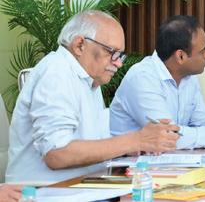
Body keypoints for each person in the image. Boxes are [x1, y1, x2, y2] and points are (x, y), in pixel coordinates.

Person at [6, 11, 179, 184]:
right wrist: (136, 140)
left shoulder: (88, 78)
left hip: (82, 186)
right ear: (80, 45)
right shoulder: (56, 73)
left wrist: (131, 148)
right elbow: (57, 153)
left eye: (120, 55)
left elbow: (89, 145)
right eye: (112, 52)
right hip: (44, 192)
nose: (118, 63)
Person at [110, 15, 205, 149]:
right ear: (181, 56)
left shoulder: (188, 76)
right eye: (203, 50)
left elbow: (202, 121)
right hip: (129, 169)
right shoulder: (143, 79)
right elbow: (169, 137)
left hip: (167, 165)